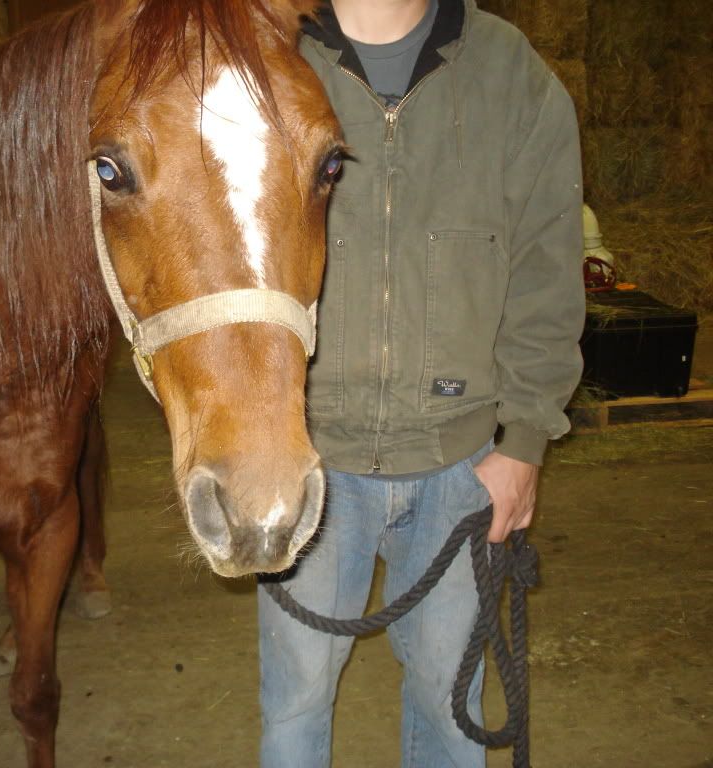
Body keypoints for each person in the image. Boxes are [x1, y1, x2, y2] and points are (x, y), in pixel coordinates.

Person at [257, 0, 585, 766]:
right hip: (310, 459)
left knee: (449, 704)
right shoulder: (269, 62)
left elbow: (547, 269)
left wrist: (526, 439)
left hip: (460, 465)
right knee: (295, 700)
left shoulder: (511, 75)